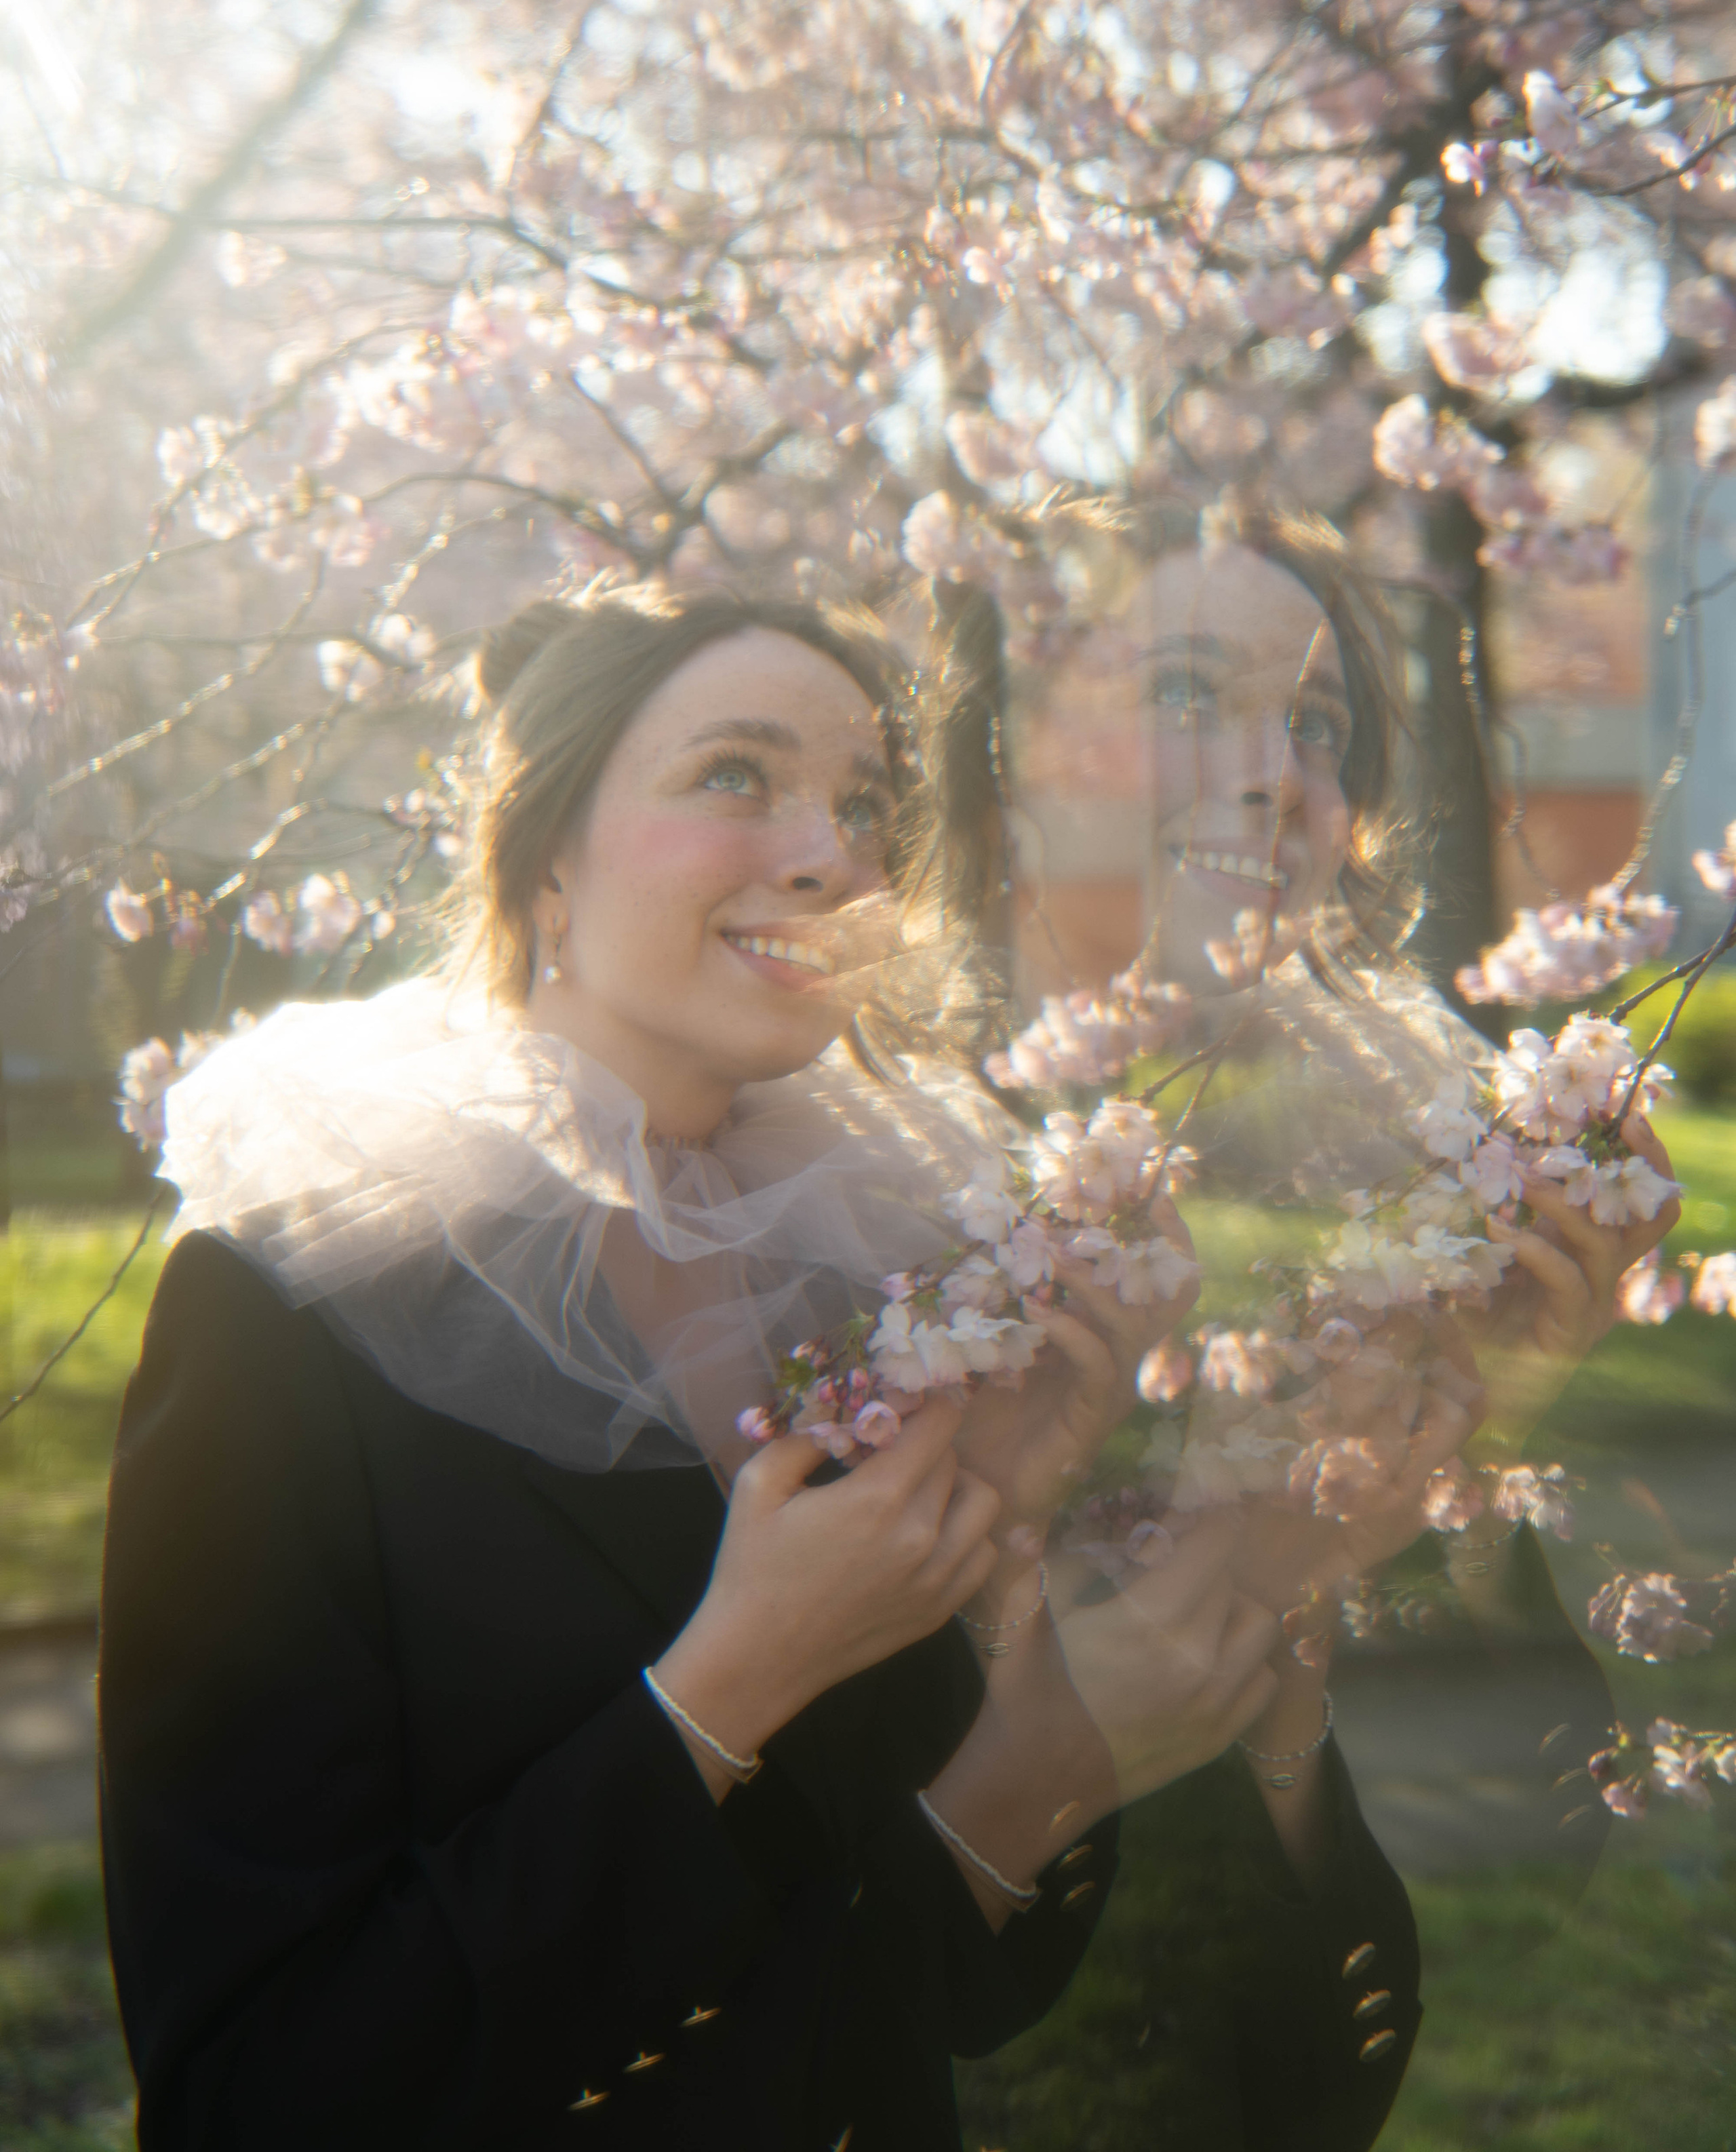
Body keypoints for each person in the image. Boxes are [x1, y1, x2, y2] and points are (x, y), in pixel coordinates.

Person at [100, 578, 1425, 2152]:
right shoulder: (291, 1312)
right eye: (735, 775)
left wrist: (1009, 1533)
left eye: (864, 806)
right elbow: (252, 2092)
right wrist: (727, 1687)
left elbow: (931, 1992)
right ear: (542, 866)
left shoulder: (885, 1279)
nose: (828, 857)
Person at [948, 503, 1679, 2146]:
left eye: (1319, 723)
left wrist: (1467, 1438)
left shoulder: (1380, 1171)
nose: (1278, 773)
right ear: (1007, 745)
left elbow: (1528, 1832)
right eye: (1192, 693)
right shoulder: (800, 1181)